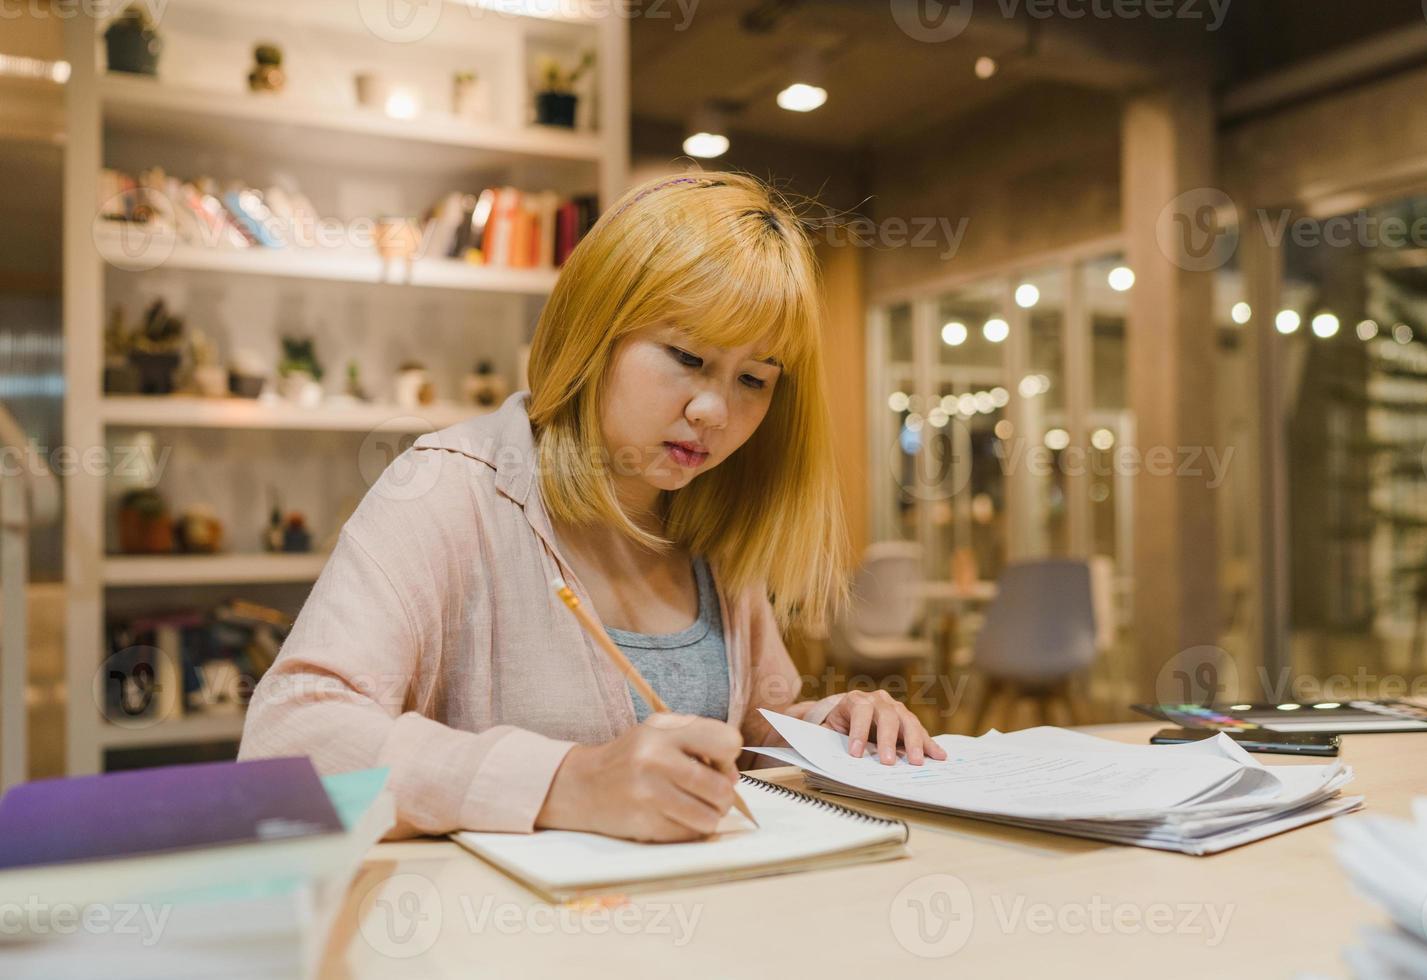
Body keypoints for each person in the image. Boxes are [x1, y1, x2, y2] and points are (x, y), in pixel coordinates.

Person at [239, 172, 945, 842]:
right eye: (688, 358)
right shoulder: (444, 491)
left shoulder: (707, 520)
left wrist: (830, 725)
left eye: (754, 379)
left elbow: (739, 733)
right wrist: (568, 783)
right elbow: (289, 746)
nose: (713, 411)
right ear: (593, 332)